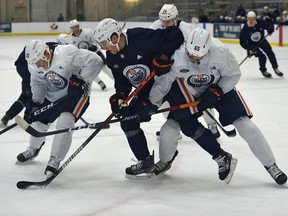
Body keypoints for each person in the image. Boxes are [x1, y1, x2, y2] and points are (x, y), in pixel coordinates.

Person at [145, 28, 287, 186]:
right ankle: (165, 161)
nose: (193, 58)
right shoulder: (177, 55)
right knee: (168, 129)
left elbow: (233, 74)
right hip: (189, 91)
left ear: (208, 49)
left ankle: (271, 165)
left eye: (198, 56)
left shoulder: (220, 51)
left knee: (247, 126)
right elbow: (162, 83)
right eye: (190, 54)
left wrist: (218, 90)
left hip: (219, 88)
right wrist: (152, 103)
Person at [94, 18, 184, 178]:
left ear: (114, 38)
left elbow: (175, 34)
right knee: (127, 120)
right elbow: (121, 81)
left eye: (104, 43)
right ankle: (145, 161)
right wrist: (119, 97)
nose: (103, 48)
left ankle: (217, 155)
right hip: (145, 91)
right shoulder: (112, 57)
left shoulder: (139, 37)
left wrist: (163, 55)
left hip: (168, 84)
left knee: (184, 122)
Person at [16, 39, 103, 178]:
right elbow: (38, 83)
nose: (39, 66)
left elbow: (96, 61)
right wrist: (36, 103)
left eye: (39, 62)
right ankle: (33, 149)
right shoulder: (34, 65)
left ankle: (55, 159)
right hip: (54, 93)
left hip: (76, 95)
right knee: (39, 120)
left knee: (65, 122)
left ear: (46, 53)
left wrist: (80, 80)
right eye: (35, 64)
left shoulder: (66, 53)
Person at [151, 4, 220, 139]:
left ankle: (212, 124)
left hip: (187, 69)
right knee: (167, 100)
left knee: (201, 96)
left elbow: (198, 50)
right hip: (168, 70)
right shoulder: (155, 26)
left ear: (176, 18)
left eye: (168, 21)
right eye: (163, 21)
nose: (165, 24)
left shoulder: (187, 30)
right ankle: (174, 128)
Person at [0, 42, 57, 127]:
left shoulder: (48, 47)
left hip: (24, 66)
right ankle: (20, 116)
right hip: (25, 68)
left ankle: (14, 115)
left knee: (30, 94)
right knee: (27, 95)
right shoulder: (52, 49)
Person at [69, 19, 111, 90]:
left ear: (78, 26)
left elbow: (97, 41)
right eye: (73, 27)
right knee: (90, 70)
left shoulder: (88, 32)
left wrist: (95, 46)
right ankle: (100, 82)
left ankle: (116, 79)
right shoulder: (70, 39)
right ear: (71, 29)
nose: (75, 29)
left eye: (76, 27)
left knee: (105, 68)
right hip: (84, 58)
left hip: (96, 53)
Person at [240, 11, 283, 78]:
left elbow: (269, 24)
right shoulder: (245, 29)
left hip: (262, 41)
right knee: (262, 57)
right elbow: (242, 42)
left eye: (252, 19)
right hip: (252, 45)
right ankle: (263, 70)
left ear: (255, 18)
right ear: (247, 19)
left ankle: (275, 68)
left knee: (270, 52)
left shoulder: (260, 23)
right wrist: (249, 48)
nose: (251, 21)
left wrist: (270, 29)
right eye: (249, 19)